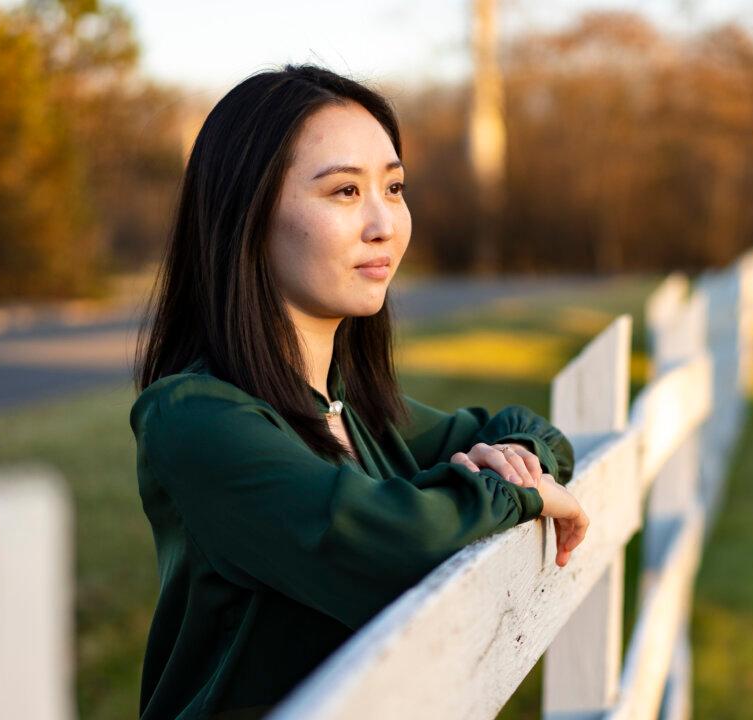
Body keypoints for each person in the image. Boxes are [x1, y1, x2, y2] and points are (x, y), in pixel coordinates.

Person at [130, 64, 589, 720]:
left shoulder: (358, 412)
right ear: (248, 213)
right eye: (345, 191)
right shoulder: (195, 420)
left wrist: (512, 459)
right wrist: (520, 491)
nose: (385, 225)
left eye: (394, 187)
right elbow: (388, 544)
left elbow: (534, 431)